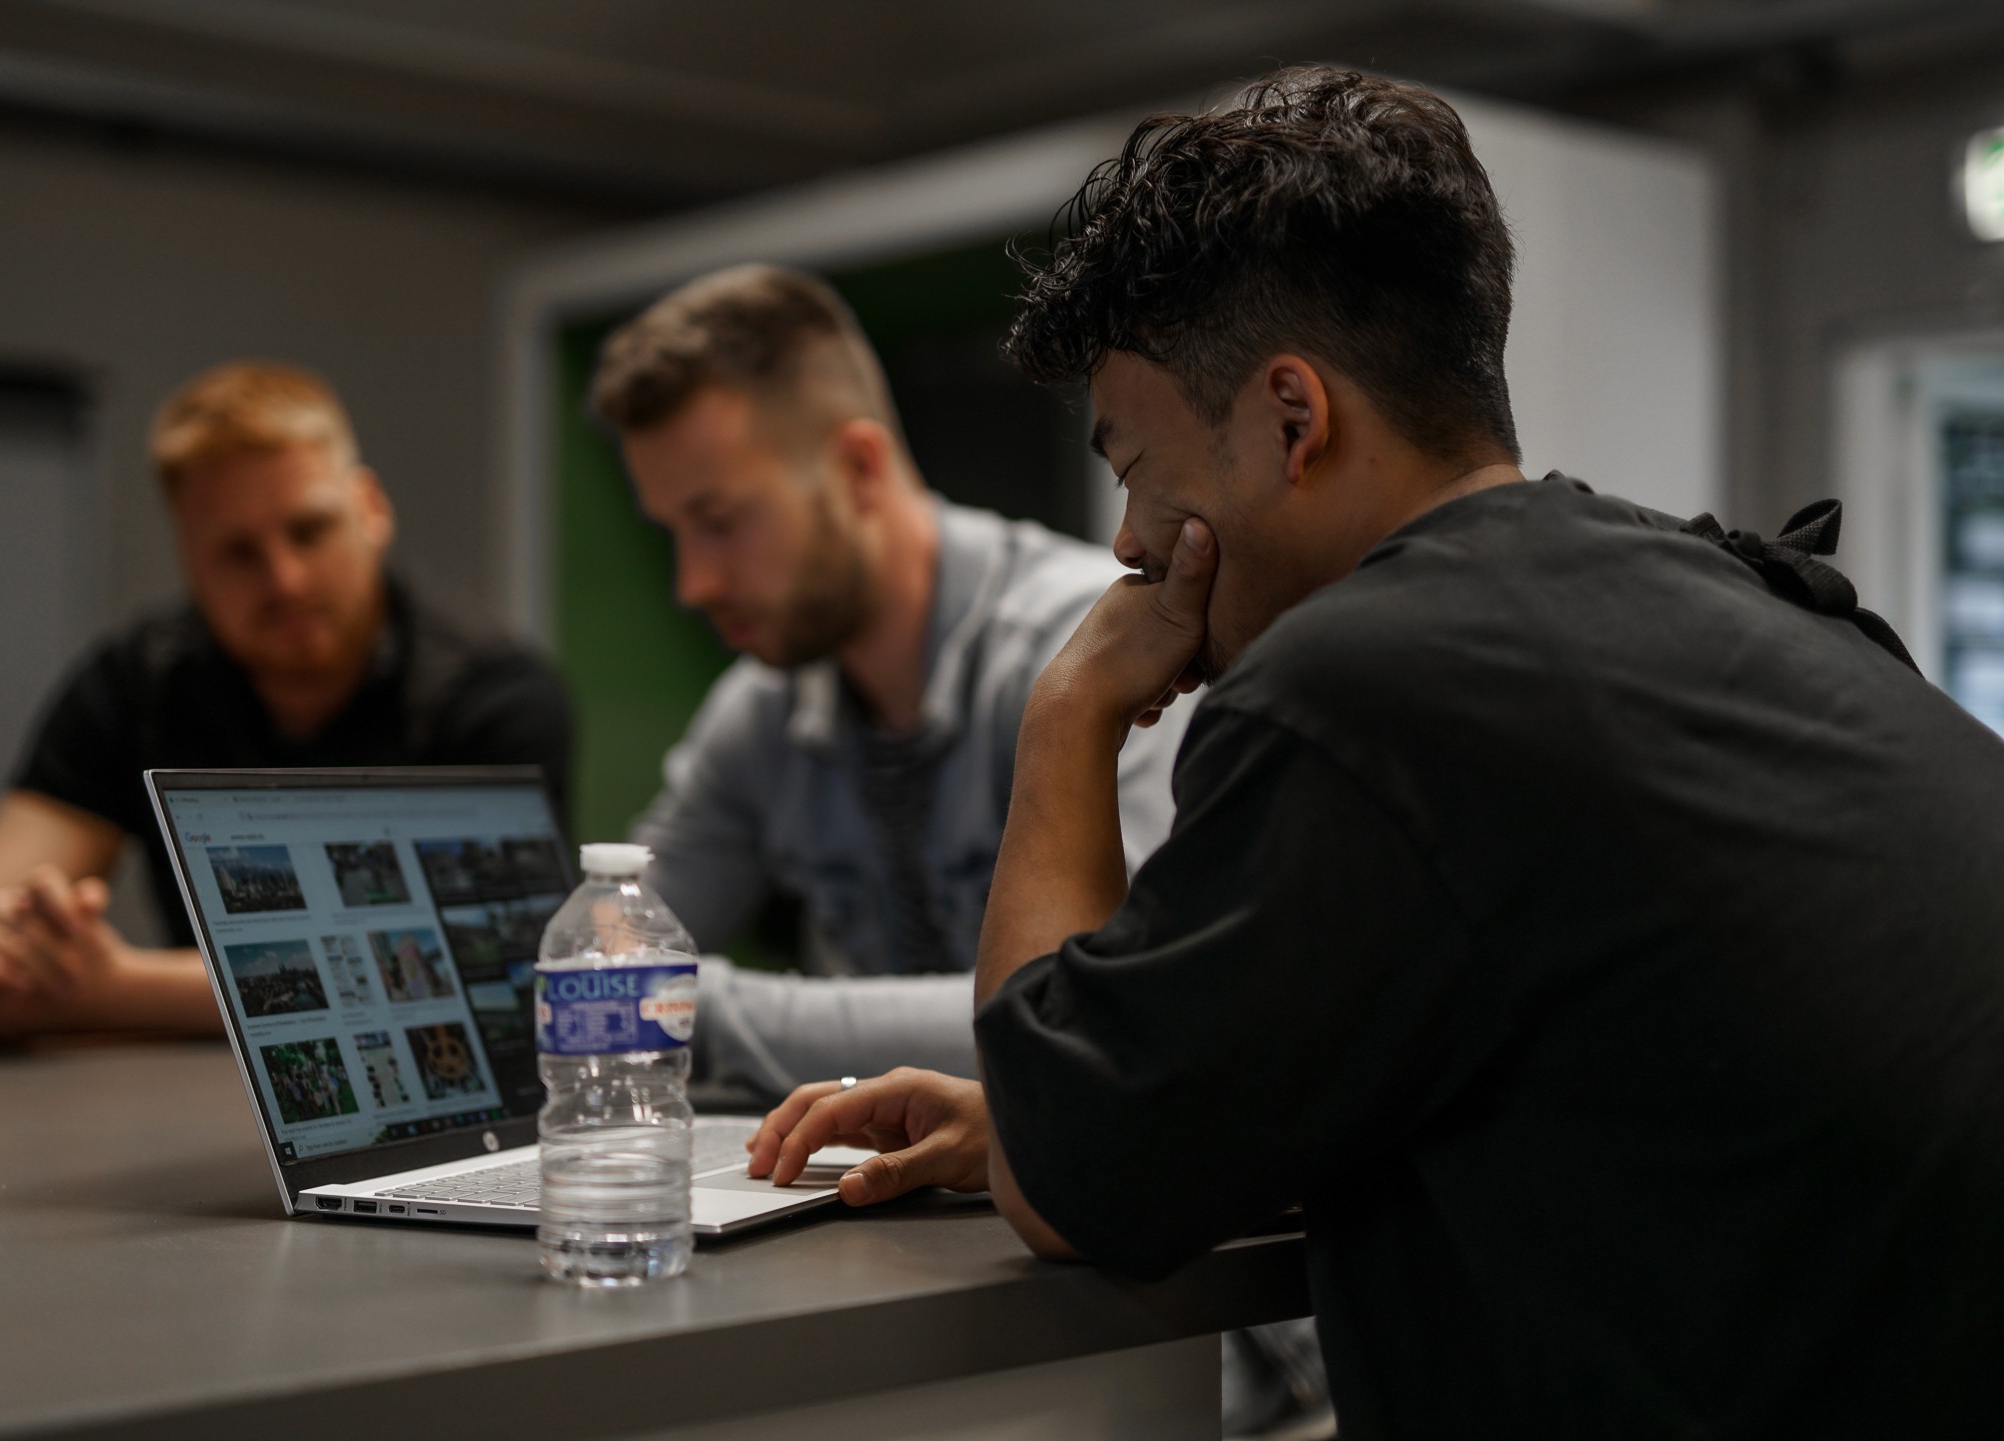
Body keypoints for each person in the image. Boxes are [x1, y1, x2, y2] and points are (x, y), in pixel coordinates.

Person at [748, 67, 2004, 1438]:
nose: (1127, 544)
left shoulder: (1369, 683)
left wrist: (1068, 714)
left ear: (1294, 419)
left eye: (1134, 468)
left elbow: (1064, 1188)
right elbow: (1607, 1090)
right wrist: (1063, 1113)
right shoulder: (1730, 602)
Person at [588, 264, 1191, 1101]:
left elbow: (1115, 1003)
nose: (693, 583)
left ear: (859, 467)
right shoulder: (762, 710)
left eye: (719, 522)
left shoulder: (1087, 649)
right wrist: (635, 983)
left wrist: (686, 1005)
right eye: (674, 534)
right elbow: (605, 951)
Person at [0, 362, 576, 1039]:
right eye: (236, 552)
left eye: (309, 530)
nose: (285, 580)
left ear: (371, 508)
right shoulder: (138, 679)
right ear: (188, 556)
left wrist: (117, 990)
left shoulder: (491, 695)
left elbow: (491, 967)